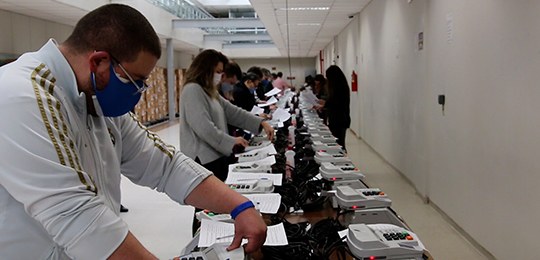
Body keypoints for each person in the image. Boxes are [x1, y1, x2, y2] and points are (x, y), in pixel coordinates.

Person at [0, 4, 266, 259]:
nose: (139, 91)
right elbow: (76, 214)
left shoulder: (95, 98)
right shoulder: (22, 95)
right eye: (135, 80)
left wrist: (239, 205)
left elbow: (164, 164)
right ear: (99, 61)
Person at [179, 49, 274, 182]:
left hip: (216, 156)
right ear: (204, 69)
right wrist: (232, 141)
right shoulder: (193, 90)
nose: (219, 76)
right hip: (203, 161)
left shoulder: (209, 91)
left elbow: (232, 112)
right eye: (217, 72)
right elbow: (204, 128)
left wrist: (260, 123)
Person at [315, 65, 351, 149]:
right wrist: (324, 104)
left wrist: (324, 105)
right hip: (339, 119)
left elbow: (336, 103)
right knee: (338, 143)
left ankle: (341, 159)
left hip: (339, 120)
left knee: (338, 144)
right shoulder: (340, 86)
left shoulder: (339, 88)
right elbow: (333, 101)